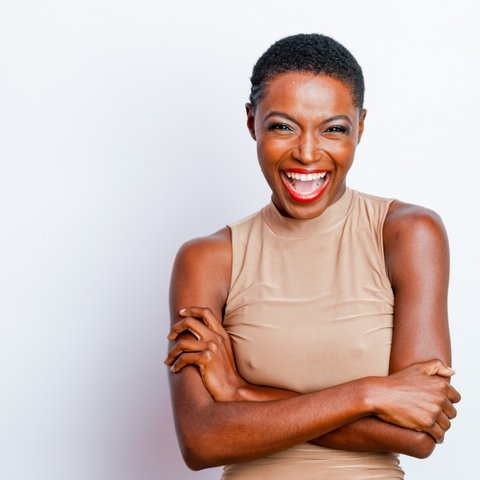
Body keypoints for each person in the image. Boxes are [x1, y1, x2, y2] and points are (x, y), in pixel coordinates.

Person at [164, 34, 461, 479]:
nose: (306, 152)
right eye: (283, 126)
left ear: (360, 126)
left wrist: (237, 392)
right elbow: (200, 439)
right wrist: (372, 395)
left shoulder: (407, 234)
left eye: (334, 128)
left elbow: (417, 434)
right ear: (252, 122)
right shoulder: (207, 260)